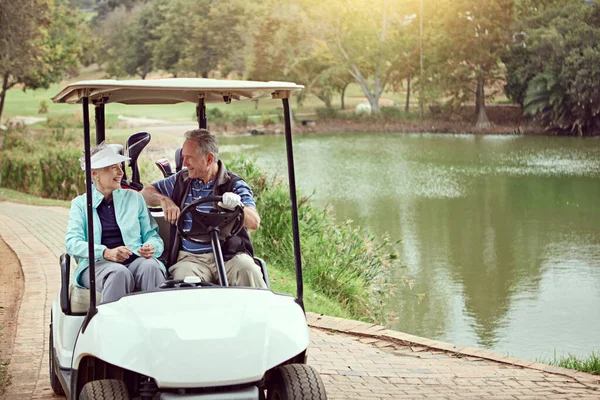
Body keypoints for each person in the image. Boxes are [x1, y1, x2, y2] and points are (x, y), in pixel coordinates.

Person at [141, 129, 266, 288]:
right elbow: (144, 193)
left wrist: (237, 207)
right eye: (183, 157)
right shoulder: (181, 179)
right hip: (191, 259)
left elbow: (254, 222)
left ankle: (256, 312)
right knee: (183, 279)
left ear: (208, 159)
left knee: (247, 269)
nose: (184, 163)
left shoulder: (234, 184)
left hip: (230, 256)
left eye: (189, 158)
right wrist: (164, 200)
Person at [66, 143, 166, 303]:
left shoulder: (135, 198)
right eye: (114, 167)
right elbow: (72, 244)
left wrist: (151, 247)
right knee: (119, 273)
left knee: (151, 266)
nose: (120, 172)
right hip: (98, 264)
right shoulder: (80, 204)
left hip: (135, 260)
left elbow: (152, 234)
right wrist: (106, 252)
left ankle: (155, 323)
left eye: (120, 166)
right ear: (94, 173)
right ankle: (112, 326)